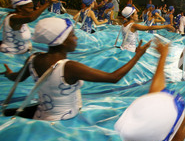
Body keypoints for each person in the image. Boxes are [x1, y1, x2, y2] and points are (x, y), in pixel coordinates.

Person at [3, 17, 151, 121]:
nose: (76, 38)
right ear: (61, 41)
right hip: (65, 122)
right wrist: (138, 55)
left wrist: (9, 74)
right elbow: (114, 78)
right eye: (72, 35)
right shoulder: (69, 67)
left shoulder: (33, 59)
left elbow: (18, 77)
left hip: (41, 116)